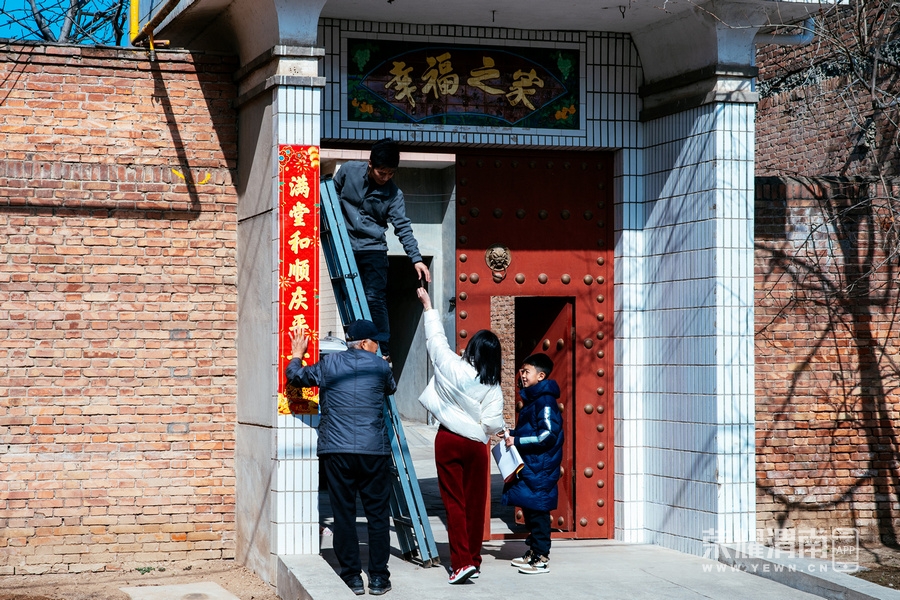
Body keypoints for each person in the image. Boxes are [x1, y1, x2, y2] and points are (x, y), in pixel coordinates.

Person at [285, 319, 396, 596]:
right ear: (365, 343)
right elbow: (390, 388)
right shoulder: (381, 366)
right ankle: (378, 578)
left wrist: (297, 354)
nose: (378, 346)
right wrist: (383, 365)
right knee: (377, 516)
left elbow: (295, 377)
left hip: (336, 451)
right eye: (376, 342)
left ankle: (352, 578)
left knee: (344, 515)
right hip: (373, 452)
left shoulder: (329, 364)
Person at [415, 287, 504, 584]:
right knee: (476, 505)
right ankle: (474, 560)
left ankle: (461, 563)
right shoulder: (493, 386)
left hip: (448, 440)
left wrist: (428, 306)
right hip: (476, 444)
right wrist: (492, 430)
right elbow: (492, 422)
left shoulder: (451, 365)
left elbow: (436, 340)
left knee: (454, 502)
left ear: (472, 348)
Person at [334, 138, 431, 362]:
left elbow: (403, 227)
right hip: (345, 244)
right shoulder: (349, 171)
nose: (385, 177)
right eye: (381, 172)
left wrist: (416, 258)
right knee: (348, 295)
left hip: (373, 249)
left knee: (374, 298)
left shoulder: (394, 195)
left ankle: (383, 350)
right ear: (370, 164)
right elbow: (330, 194)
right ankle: (355, 344)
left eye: (390, 173)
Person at [501, 353, 563, 575]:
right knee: (530, 509)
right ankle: (534, 552)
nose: (522, 375)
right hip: (533, 466)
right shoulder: (535, 399)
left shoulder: (545, 401)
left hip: (541, 468)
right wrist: (512, 434)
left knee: (538, 512)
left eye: (527, 371)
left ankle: (541, 558)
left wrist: (516, 441)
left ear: (541, 375)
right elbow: (532, 432)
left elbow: (548, 435)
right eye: (522, 371)